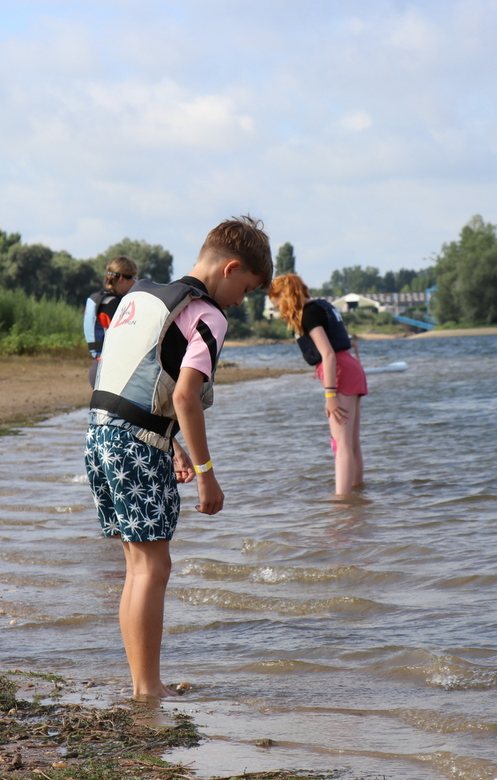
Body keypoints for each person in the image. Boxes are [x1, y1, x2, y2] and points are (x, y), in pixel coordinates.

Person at [85, 215, 272, 699]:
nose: (241, 301)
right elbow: (185, 396)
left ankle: (141, 682)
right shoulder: (208, 316)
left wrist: (174, 446)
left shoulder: (140, 296)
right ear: (231, 269)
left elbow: (135, 380)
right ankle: (148, 687)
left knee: (137, 566)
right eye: (247, 289)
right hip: (138, 446)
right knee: (153, 568)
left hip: (100, 435)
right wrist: (207, 473)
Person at [268, 273, 367, 495]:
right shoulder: (322, 306)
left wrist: (330, 396)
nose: (279, 311)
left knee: (341, 444)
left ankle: (342, 502)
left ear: (285, 297)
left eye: (277, 305)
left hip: (340, 373)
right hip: (351, 369)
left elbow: (328, 354)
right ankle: (357, 495)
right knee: (351, 443)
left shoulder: (309, 314)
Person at [83, 256, 139, 387]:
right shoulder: (114, 305)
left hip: (97, 367)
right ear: (122, 279)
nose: (136, 283)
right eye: (134, 278)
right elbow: (128, 338)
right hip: (109, 371)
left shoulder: (98, 299)